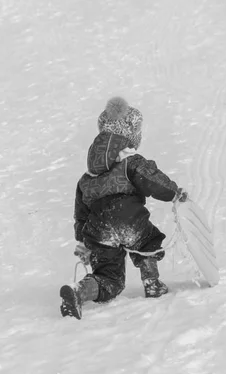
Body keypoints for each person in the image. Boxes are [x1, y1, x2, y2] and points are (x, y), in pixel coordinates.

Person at [60, 97, 188, 320]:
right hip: (128, 217)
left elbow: (81, 214)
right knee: (147, 241)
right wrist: (174, 192)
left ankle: (80, 291)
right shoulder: (131, 162)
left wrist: (82, 242)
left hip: (98, 230)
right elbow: (152, 179)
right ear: (128, 138)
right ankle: (152, 283)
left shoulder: (86, 179)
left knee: (109, 277)